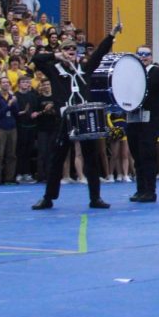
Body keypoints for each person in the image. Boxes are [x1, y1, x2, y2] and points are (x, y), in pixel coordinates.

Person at [30, 29, 121, 211]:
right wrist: (56, 55)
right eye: (67, 48)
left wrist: (111, 35)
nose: (71, 50)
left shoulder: (84, 68)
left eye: (73, 48)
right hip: (64, 118)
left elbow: (100, 52)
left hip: (85, 117)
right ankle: (49, 197)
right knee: (57, 159)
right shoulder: (54, 70)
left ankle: (95, 197)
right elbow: (36, 59)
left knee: (91, 158)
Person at [126, 44, 159, 203]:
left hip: (150, 120)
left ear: (151, 57)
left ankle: (150, 191)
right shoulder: (132, 73)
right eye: (140, 54)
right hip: (134, 119)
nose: (143, 57)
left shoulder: (156, 72)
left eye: (146, 54)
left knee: (147, 155)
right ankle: (140, 189)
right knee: (137, 155)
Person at [0, 77, 18, 184]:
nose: (5, 84)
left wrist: (14, 104)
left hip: (12, 127)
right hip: (0, 128)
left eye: (7, 82)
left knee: (11, 155)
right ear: (0, 85)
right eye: (3, 82)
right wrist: (8, 105)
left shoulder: (12, 97)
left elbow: (16, 113)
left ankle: (9, 178)